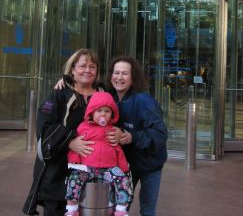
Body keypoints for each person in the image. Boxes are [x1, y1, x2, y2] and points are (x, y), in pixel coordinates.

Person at [23, 48, 105, 216]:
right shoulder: (60, 93)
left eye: (92, 66)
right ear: (73, 69)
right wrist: (69, 141)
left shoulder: (103, 94)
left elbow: (113, 122)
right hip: (59, 173)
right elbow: (44, 124)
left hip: (94, 172)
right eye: (83, 66)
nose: (87, 70)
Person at [107, 55, 168, 216]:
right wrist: (64, 81)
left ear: (133, 78)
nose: (119, 77)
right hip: (125, 166)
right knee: (119, 207)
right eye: (116, 72)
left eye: (124, 73)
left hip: (150, 165)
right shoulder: (108, 98)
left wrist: (132, 137)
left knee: (147, 210)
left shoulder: (144, 101)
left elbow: (160, 134)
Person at [65, 91, 133, 216]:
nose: (103, 114)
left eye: (107, 111)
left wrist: (123, 168)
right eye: (99, 111)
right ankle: (72, 208)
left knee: (122, 180)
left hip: (109, 169)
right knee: (74, 179)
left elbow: (118, 149)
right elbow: (76, 146)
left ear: (112, 114)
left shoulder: (113, 130)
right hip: (87, 167)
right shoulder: (83, 128)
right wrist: (74, 162)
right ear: (91, 112)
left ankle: (121, 209)